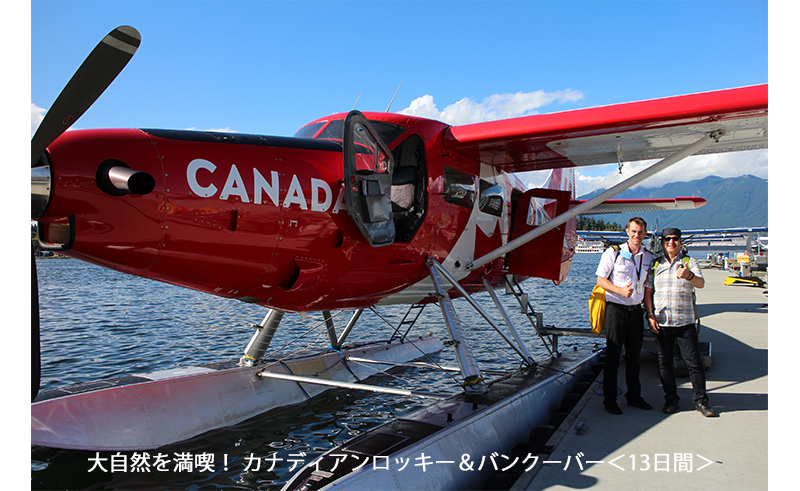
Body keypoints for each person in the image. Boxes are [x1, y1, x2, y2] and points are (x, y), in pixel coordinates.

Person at [644, 228, 717, 417]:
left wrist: (689, 276)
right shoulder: (655, 264)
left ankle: (701, 401)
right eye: (667, 239)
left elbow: (701, 284)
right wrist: (650, 315)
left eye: (675, 239)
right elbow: (648, 292)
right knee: (665, 363)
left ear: (680, 242)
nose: (671, 242)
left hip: (685, 322)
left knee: (694, 363)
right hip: (662, 322)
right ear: (662, 243)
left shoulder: (689, 262)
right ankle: (671, 400)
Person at [595, 217, 654, 415]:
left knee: (634, 358)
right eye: (634, 231)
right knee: (612, 357)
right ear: (627, 231)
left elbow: (647, 289)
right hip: (616, 310)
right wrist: (619, 290)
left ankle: (634, 396)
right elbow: (601, 280)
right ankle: (609, 399)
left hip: (636, 312)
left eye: (641, 232)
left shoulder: (648, 258)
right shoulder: (613, 253)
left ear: (645, 234)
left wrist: (650, 313)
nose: (637, 235)